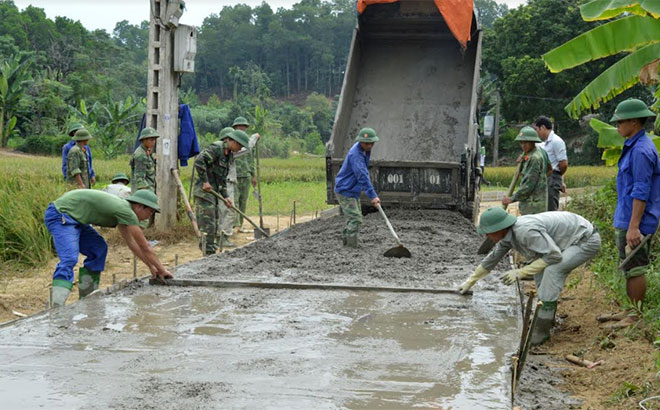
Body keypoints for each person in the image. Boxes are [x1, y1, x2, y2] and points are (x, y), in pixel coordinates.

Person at [458, 207, 601, 345]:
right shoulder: (508, 235)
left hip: (584, 240)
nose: (487, 236)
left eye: (488, 232)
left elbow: (554, 256)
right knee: (540, 275)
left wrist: (521, 272)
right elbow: (492, 258)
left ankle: (541, 332)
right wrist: (470, 281)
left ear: (500, 228)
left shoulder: (525, 232)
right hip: (567, 240)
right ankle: (547, 317)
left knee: (553, 271)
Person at [44, 189, 173, 307]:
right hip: (61, 214)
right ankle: (55, 308)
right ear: (139, 206)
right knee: (70, 259)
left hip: (77, 218)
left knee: (98, 249)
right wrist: (162, 270)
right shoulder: (126, 211)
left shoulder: (124, 212)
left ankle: (87, 300)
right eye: (150, 211)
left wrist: (152, 266)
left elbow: (132, 244)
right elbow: (145, 246)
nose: (149, 216)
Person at [598, 99, 660, 328]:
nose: (617, 127)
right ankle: (629, 310)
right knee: (627, 265)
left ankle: (635, 318)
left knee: (635, 267)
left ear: (634, 121)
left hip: (638, 221)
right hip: (626, 217)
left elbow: (641, 191)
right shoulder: (634, 146)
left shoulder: (642, 151)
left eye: (621, 122)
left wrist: (634, 227)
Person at [193, 129, 250, 255]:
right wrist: (205, 181)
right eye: (239, 145)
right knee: (208, 224)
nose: (239, 148)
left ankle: (210, 251)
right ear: (233, 141)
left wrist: (226, 196)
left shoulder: (228, 155)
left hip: (213, 192)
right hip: (204, 192)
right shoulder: (216, 148)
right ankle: (207, 253)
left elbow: (222, 179)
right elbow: (199, 161)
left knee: (215, 224)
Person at [334, 127, 381, 248]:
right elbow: (362, 176)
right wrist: (373, 195)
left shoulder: (364, 151)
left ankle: (346, 243)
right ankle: (351, 247)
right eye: (367, 143)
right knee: (355, 219)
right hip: (345, 190)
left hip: (352, 189)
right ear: (361, 142)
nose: (369, 145)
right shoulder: (356, 155)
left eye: (371, 143)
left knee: (354, 218)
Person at [502, 126, 547, 215]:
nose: (523, 145)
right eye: (521, 142)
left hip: (533, 207)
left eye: (526, 142)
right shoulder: (529, 153)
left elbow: (528, 185)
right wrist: (522, 161)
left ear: (532, 142)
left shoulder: (534, 158)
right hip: (529, 205)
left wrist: (512, 198)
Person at [534, 116, 568, 211]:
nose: (536, 132)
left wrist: (558, 178)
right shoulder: (544, 143)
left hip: (552, 178)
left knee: (551, 209)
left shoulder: (556, 141)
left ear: (543, 128)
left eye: (536, 129)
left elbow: (563, 164)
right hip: (546, 177)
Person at [231, 116, 257, 232]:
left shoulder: (247, 142)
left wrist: (253, 175)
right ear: (235, 127)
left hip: (245, 175)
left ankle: (239, 225)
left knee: (243, 201)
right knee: (234, 200)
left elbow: (251, 160)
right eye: (239, 126)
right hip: (234, 176)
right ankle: (234, 224)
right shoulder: (231, 141)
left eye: (243, 127)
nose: (241, 128)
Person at [130, 127, 159, 194]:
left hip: (150, 188)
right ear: (144, 140)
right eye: (151, 140)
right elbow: (140, 178)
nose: (153, 142)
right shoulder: (141, 155)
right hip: (144, 192)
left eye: (154, 140)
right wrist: (146, 195)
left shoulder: (147, 151)